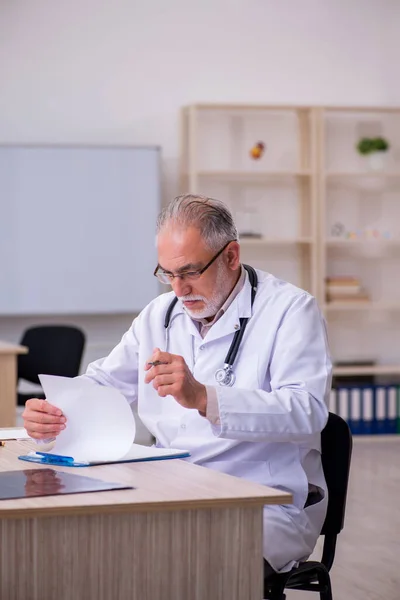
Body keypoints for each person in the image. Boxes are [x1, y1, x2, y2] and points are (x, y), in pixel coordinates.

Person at [23, 194, 332, 574]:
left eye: (189, 272)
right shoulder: (161, 314)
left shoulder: (290, 310)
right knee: (89, 542)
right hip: (172, 486)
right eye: (167, 274)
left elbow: (307, 412)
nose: (178, 289)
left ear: (231, 256)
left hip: (264, 499)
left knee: (176, 557)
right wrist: (54, 412)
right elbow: (103, 383)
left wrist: (204, 397)